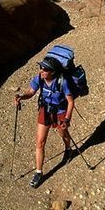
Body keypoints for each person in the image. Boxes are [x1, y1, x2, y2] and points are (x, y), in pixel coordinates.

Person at [15, 56, 75, 188]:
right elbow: (31, 92)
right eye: (41, 67)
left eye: (45, 69)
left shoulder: (62, 82)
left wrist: (67, 119)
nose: (42, 70)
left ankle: (68, 149)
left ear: (52, 72)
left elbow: (70, 102)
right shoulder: (39, 79)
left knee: (63, 133)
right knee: (40, 142)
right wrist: (21, 97)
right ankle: (38, 172)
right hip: (45, 111)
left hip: (60, 111)